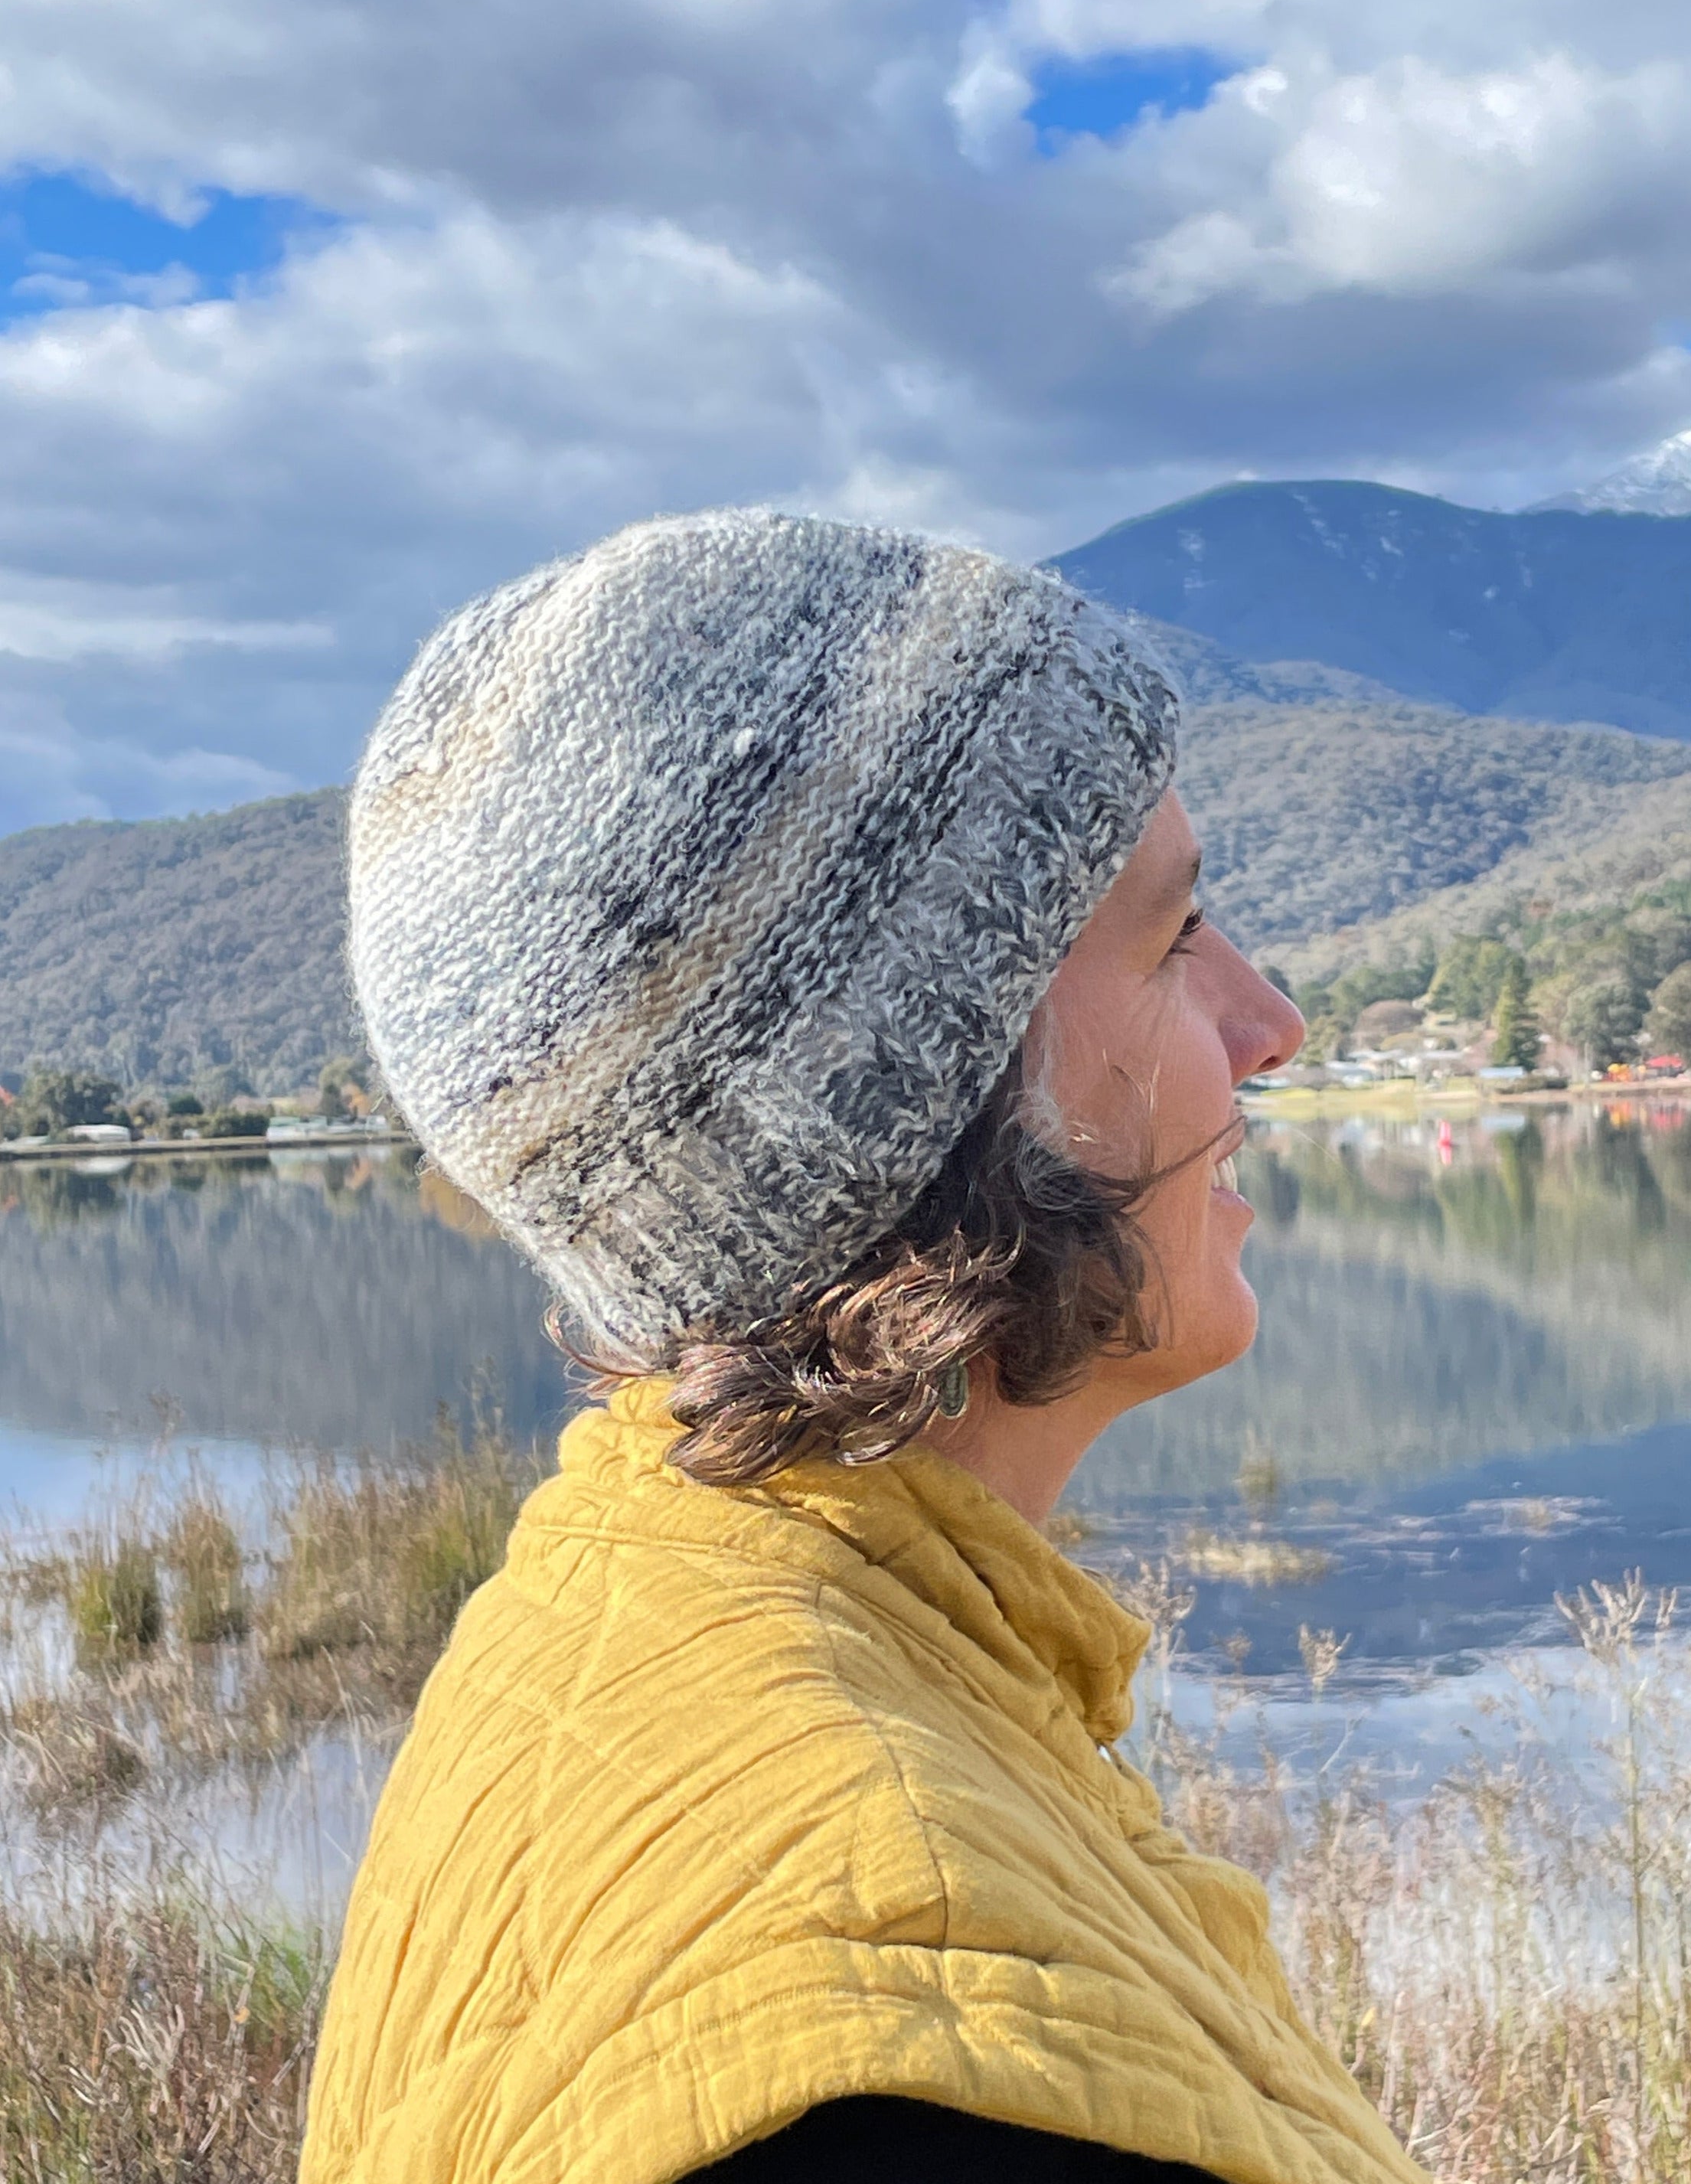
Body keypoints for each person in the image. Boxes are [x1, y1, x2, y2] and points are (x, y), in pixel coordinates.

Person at [302, 512, 1427, 2184]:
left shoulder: (656, 1593)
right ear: (923, 1099)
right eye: (1177, 938)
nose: (1273, 1026)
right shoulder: (908, 2063)